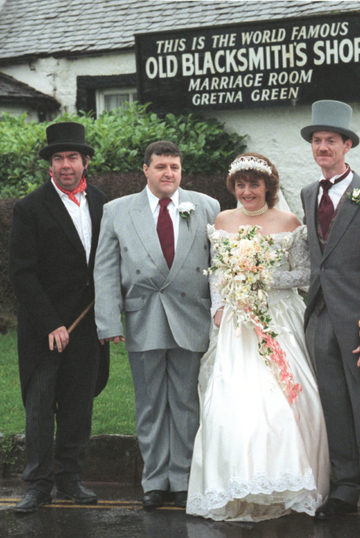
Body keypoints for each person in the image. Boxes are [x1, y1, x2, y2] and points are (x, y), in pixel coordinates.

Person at [186, 153, 330, 521]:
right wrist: (218, 307)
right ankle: (238, 482)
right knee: (232, 402)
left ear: (268, 186)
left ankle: (286, 480)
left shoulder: (288, 221)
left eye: (254, 184)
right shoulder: (223, 220)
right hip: (235, 322)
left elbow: (304, 273)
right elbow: (218, 272)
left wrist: (261, 278)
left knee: (284, 397)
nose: (247, 191)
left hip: (279, 317)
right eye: (240, 184)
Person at [93, 140, 220, 511]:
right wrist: (107, 320)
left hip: (190, 315)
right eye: (161, 166)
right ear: (145, 170)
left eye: (175, 167)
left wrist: (221, 311)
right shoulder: (117, 211)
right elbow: (104, 269)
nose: (169, 173)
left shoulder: (207, 206)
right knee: (150, 403)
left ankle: (181, 479)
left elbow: (219, 265)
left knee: (184, 401)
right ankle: (154, 480)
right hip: (142, 314)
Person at [299, 100, 360, 518]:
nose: (323, 147)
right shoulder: (307, 193)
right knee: (333, 402)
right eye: (317, 141)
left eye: (331, 141)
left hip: (359, 319)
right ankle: (344, 487)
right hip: (320, 315)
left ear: (347, 146)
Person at [8, 121, 110, 513]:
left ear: (85, 161)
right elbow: (22, 272)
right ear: (49, 164)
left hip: (88, 325)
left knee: (77, 404)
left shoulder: (102, 203)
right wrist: (51, 322)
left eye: (72, 157)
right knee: (40, 405)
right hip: (45, 327)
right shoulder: (30, 208)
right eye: (57, 158)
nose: (65, 164)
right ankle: (37, 483)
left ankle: (69, 478)